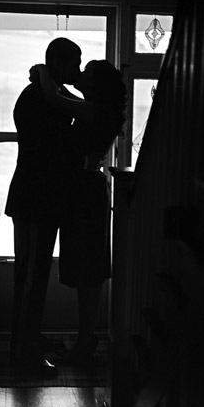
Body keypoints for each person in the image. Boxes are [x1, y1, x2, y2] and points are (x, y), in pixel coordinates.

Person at [33, 59, 127, 364]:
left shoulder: (95, 110)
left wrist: (44, 70)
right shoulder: (96, 108)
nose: (81, 74)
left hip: (85, 190)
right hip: (85, 189)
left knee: (88, 268)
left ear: (96, 84)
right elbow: (68, 99)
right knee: (87, 266)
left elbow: (55, 99)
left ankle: (85, 341)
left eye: (86, 72)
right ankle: (84, 338)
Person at [4, 37, 82, 377]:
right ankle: (22, 351)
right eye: (74, 63)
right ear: (59, 64)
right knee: (31, 277)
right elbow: (54, 150)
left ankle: (29, 338)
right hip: (35, 200)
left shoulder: (41, 94)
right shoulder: (41, 99)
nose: (78, 70)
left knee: (34, 275)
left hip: (38, 199)